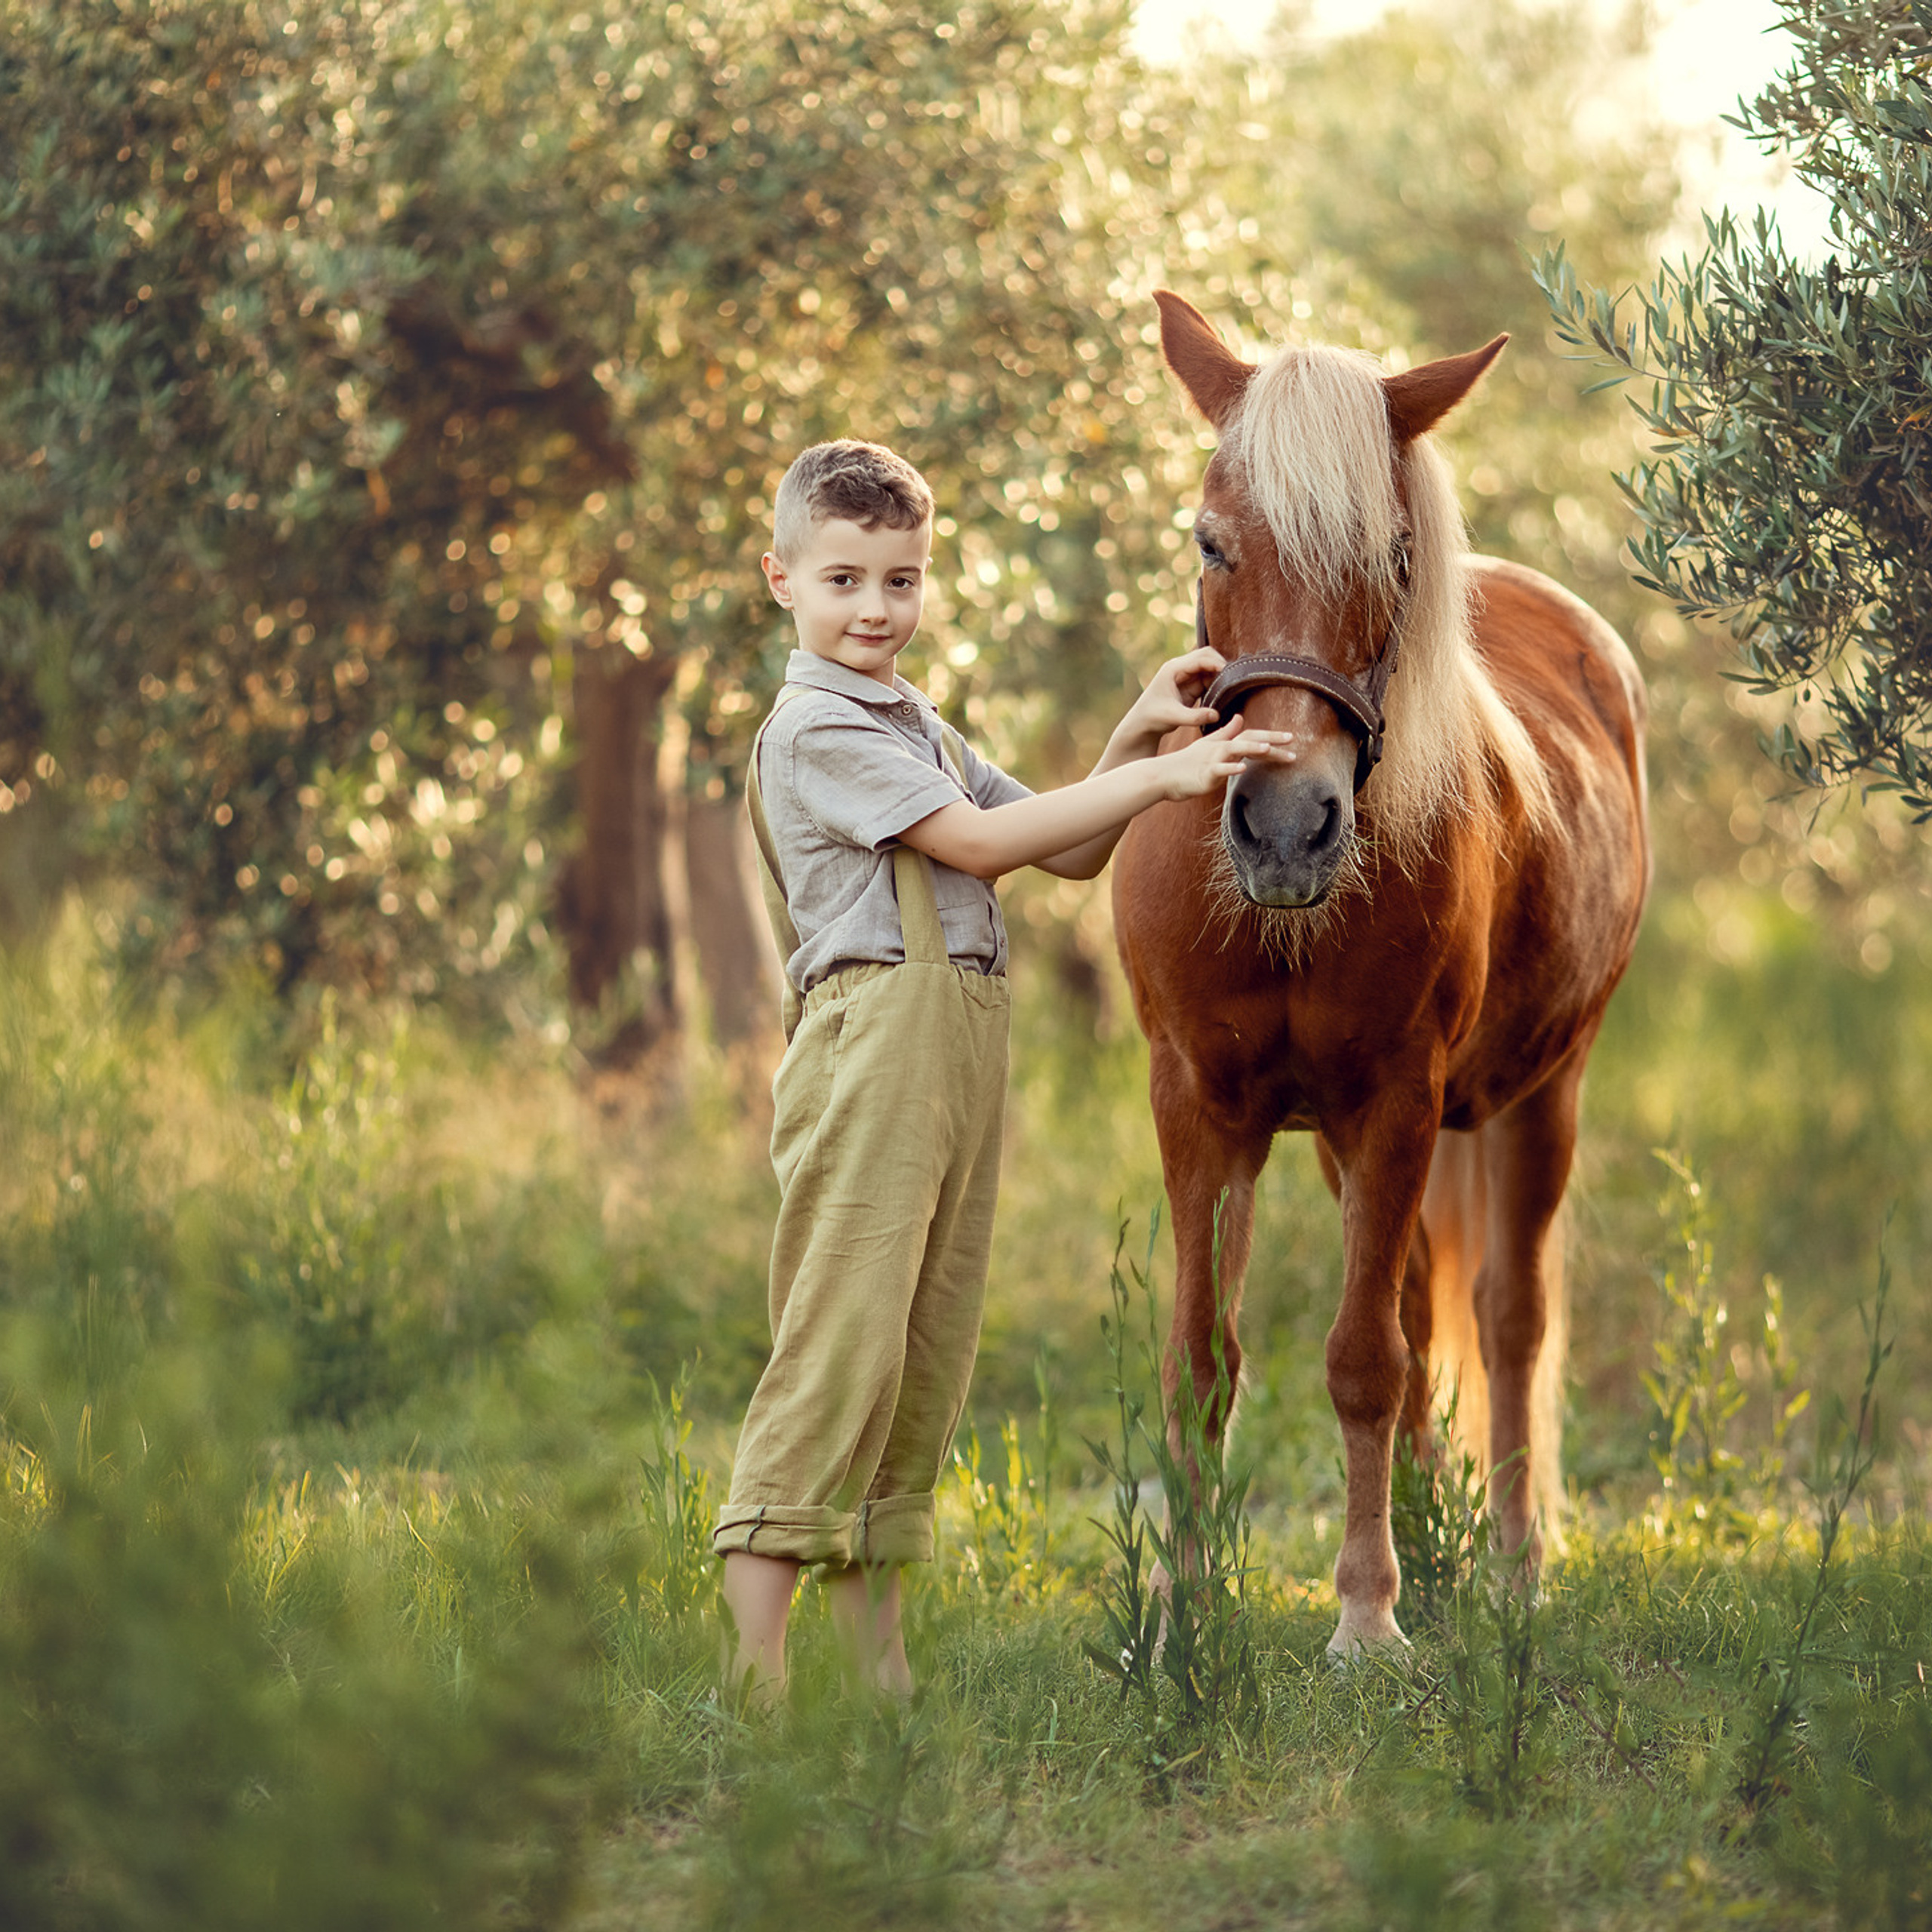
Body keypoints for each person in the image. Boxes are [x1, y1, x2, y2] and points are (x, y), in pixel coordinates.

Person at [712, 438, 1292, 1702]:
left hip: (957, 1043)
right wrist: (1171, 772)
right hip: (873, 1042)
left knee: (925, 1353)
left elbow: (1065, 850)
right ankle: (750, 1679)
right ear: (783, 582)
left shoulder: (913, 719)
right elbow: (978, 843)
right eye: (847, 580)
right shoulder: (814, 729)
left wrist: (1137, 731)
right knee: (840, 1343)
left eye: (903, 580)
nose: (877, 608)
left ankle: (882, 1675)